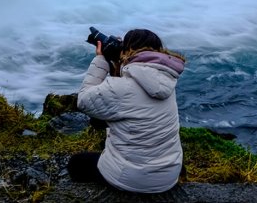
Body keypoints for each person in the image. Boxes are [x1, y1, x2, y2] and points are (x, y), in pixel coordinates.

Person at [67, 28, 187, 193]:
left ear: (126, 51)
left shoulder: (119, 88)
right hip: (169, 176)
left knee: (77, 163)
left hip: (131, 180)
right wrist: (120, 67)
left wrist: (101, 60)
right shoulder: (167, 82)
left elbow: (84, 101)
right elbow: (131, 97)